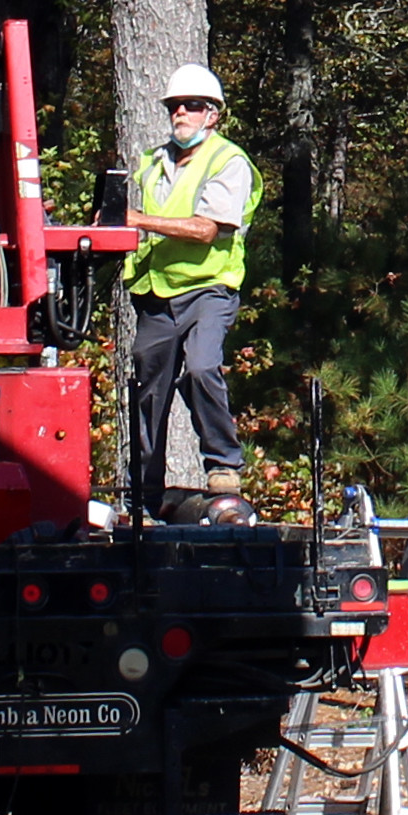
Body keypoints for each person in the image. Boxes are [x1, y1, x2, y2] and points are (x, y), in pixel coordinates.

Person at [123, 63, 255, 521]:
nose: (181, 112)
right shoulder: (150, 163)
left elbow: (205, 230)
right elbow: (119, 222)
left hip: (208, 290)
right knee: (147, 389)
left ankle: (224, 466)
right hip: (157, 295)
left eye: (193, 105)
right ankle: (143, 492)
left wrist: (138, 220)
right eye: (175, 106)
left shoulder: (228, 162)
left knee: (201, 367)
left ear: (213, 114)